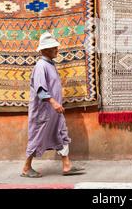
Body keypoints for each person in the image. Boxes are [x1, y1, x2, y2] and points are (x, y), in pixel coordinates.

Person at [21, 32, 85, 178]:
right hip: (43, 112)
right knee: (37, 137)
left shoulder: (50, 65)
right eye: (53, 47)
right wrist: (53, 102)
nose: (57, 49)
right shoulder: (41, 66)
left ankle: (67, 165)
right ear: (45, 50)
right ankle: (26, 168)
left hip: (53, 112)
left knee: (61, 133)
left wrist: (55, 105)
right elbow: (41, 89)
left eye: (56, 46)